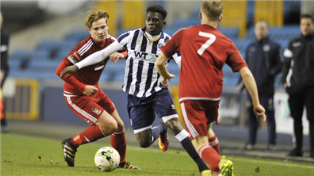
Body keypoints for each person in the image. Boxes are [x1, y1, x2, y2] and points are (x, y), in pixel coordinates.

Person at [60, 5, 211, 176]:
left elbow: (183, 63)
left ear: (163, 22)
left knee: (174, 124)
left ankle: (202, 167)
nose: (151, 22)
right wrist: (77, 66)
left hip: (157, 91)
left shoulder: (169, 42)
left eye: (155, 20)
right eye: (149, 19)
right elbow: (102, 54)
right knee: (143, 141)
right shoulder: (131, 36)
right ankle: (161, 128)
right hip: (135, 95)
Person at [155, 0, 266, 175]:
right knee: (207, 130)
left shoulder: (184, 33)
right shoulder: (226, 42)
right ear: (220, 17)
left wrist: (164, 75)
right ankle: (216, 173)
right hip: (213, 97)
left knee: (198, 141)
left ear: (200, 15)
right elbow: (246, 74)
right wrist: (257, 103)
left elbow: (159, 61)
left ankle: (219, 164)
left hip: (190, 96)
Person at [55, 10, 140, 169]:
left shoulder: (112, 42)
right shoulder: (83, 48)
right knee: (110, 126)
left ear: (108, 26)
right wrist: (82, 88)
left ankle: (121, 163)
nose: (100, 31)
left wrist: (121, 55)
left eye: (103, 27)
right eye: (96, 29)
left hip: (94, 90)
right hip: (76, 95)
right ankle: (72, 143)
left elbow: (134, 52)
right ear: (89, 31)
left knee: (119, 125)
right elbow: (60, 71)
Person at [238, 21, 282, 150]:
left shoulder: (274, 47)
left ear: (267, 30)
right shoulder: (250, 47)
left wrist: (270, 74)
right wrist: (240, 83)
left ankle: (271, 143)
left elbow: (280, 65)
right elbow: (244, 67)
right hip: (251, 90)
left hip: (266, 89)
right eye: (258, 29)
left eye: (262, 29)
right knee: (251, 115)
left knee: (269, 114)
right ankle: (251, 141)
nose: (260, 31)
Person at [281, 14, 314, 158]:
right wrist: (285, 82)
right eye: (303, 24)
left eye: (308, 24)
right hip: (295, 88)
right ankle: (298, 148)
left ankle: (313, 150)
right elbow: (286, 65)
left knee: (313, 120)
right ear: (300, 26)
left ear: (312, 25)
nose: (305, 27)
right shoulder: (292, 43)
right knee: (296, 119)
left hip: (312, 88)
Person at [0, 11, 10, 133]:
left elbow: (3, 55)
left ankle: (3, 122)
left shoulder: (4, 35)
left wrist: (1, 70)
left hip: (1, 69)